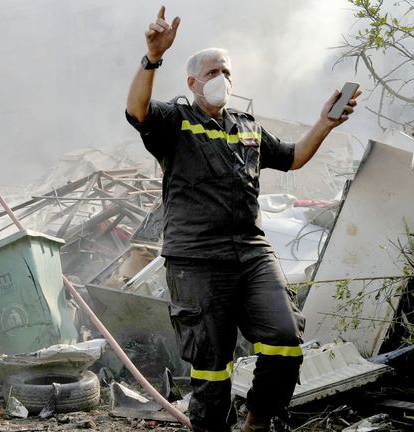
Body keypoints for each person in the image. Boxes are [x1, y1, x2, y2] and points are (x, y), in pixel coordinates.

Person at [125, 6, 359, 432]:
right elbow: (136, 110)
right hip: (197, 258)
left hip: (252, 253)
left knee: (286, 339)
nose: (223, 80)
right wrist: (152, 57)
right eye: (213, 72)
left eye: (227, 72)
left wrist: (325, 123)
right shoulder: (173, 121)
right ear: (192, 82)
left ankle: (257, 421)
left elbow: (292, 158)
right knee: (213, 366)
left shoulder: (247, 128)